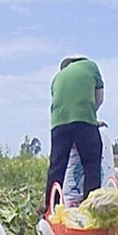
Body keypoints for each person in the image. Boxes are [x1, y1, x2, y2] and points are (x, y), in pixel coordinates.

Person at [47, 55, 104, 199]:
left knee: (57, 167)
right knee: (91, 165)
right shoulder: (91, 66)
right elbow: (99, 98)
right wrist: (91, 118)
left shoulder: (57, 77)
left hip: (58, 124)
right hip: (84, 120)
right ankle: (91, 208)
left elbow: (61, 102)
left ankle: (51, 207)